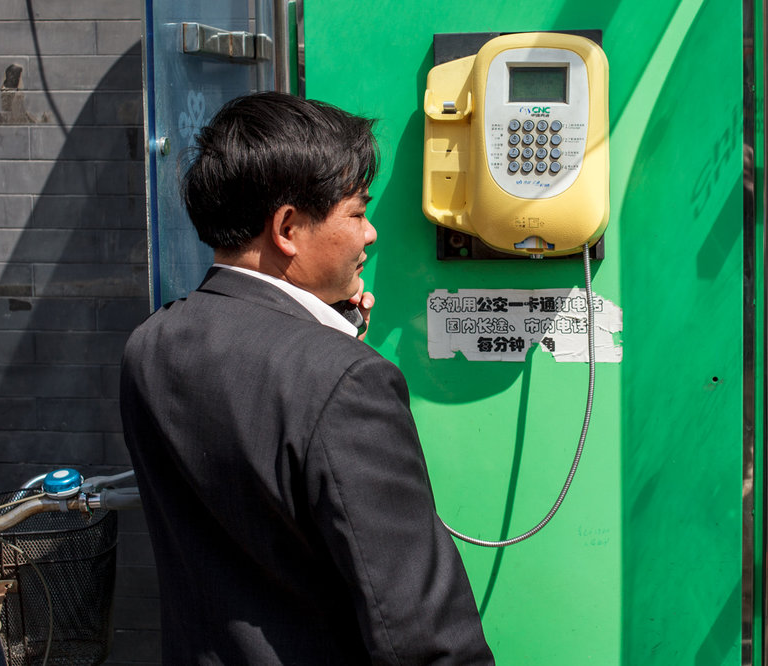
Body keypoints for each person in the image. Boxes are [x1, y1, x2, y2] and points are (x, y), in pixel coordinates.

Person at [120, 91, 495, 665]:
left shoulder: (150, 347)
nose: (370, 234)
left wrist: (325, 338)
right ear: (288, 228)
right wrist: (335, 362)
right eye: (358, 212)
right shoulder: (346, 383)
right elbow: (421, 636)